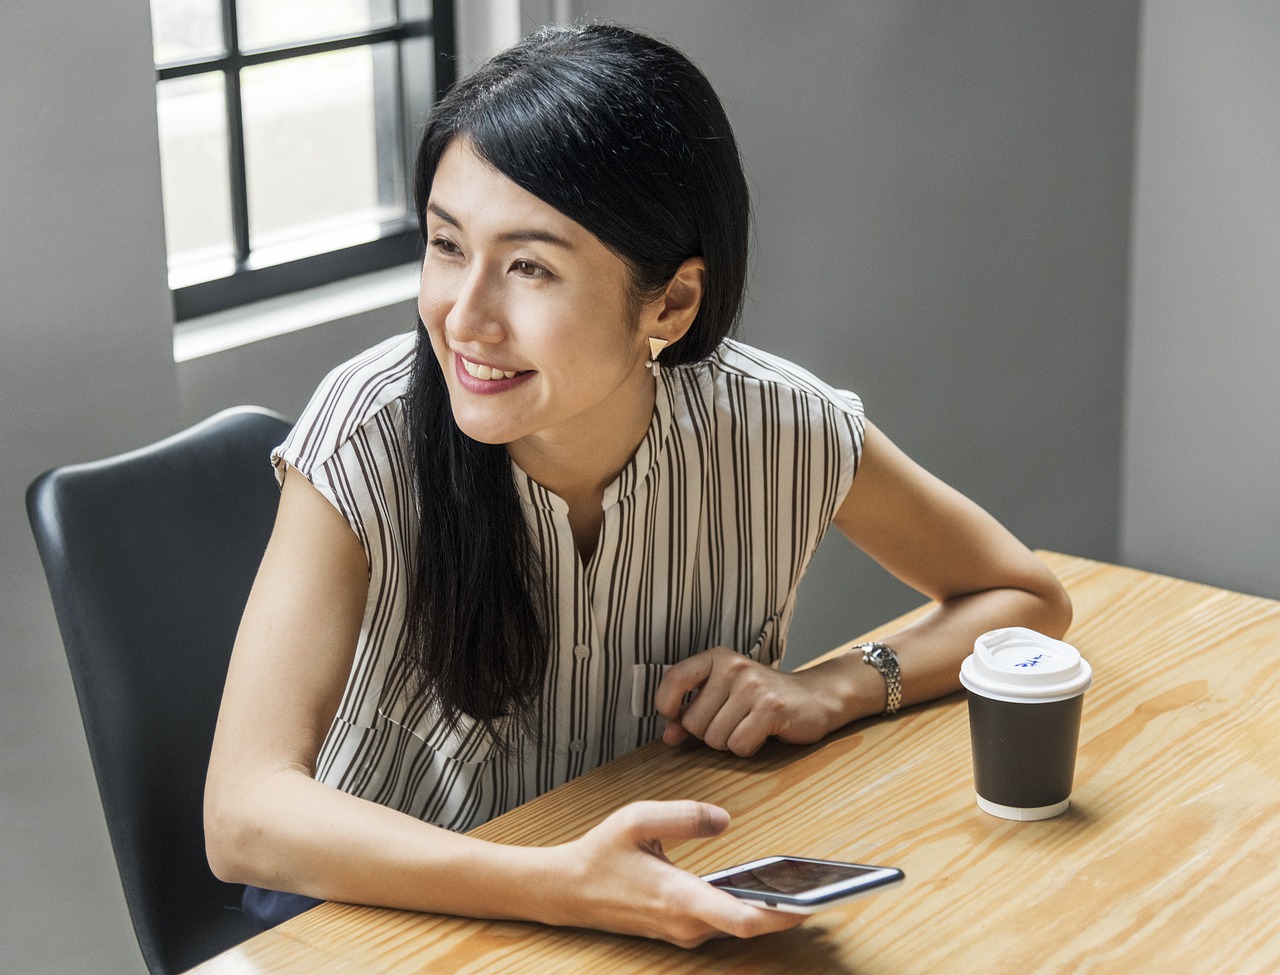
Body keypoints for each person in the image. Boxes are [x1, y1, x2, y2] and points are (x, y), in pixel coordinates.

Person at [204, 23, 1071, 948]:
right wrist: (559, 884)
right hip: (374, 918)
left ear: (671, 303)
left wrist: (835, 688)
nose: (463, 316)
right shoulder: (367, 428)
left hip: (635, 904)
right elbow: (244, 817)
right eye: (448, 245)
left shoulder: (779, 427)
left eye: (529, 266)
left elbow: (1023, 597)